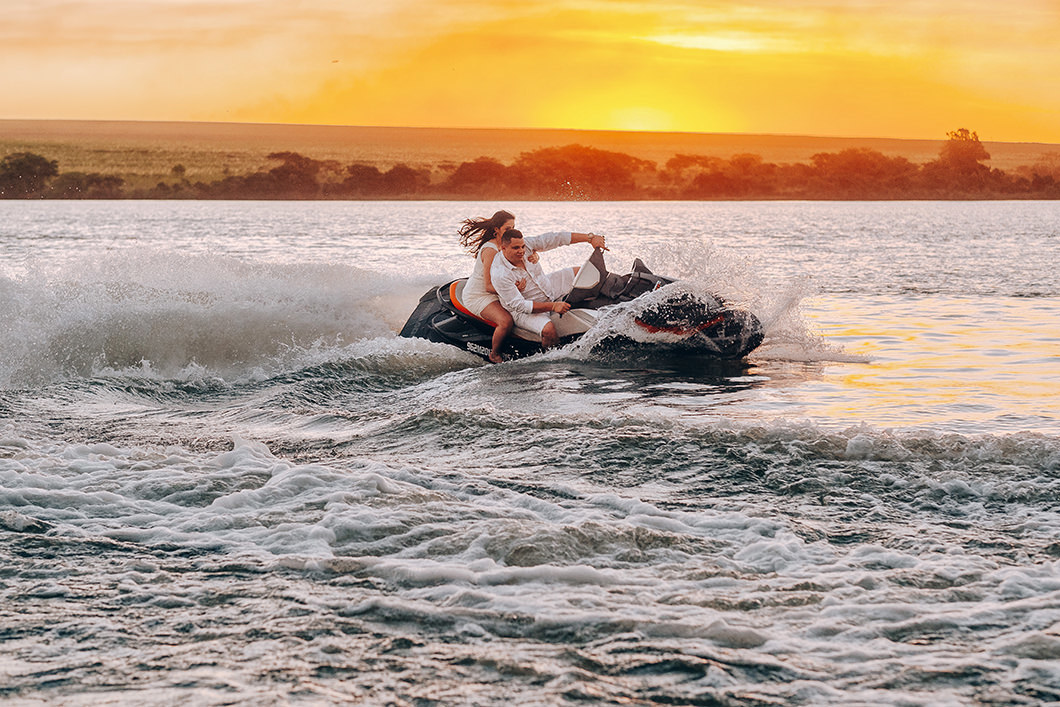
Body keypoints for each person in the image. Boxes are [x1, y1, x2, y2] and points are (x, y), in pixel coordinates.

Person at [490, 228, 607, 349]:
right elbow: (520, 305)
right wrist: (553, 306)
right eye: (516, 248)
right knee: (548, 330)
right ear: (503, 248)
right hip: (524, 310)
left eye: (522, 247)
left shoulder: (527, 245)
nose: (521, 251)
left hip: (548, 286)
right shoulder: (500, 273)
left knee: (582, 272)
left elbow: (556, 239)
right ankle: (554, 359)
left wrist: (590, 238)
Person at [458, 210, 518, 363]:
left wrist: (533, 256)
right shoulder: (490, 250)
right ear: (496, 230)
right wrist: (515, 288)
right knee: (506, 321)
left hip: (498, 292)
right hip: (480, 295)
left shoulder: (508, 245)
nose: (510, 233)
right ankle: (495, 354)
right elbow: (489, 286)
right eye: (507, 229)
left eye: (513, 228)